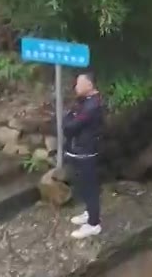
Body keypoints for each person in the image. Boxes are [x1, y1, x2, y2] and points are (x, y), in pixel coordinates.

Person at [63, 71, 105, 239]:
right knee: (84, 185)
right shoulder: (86, 102)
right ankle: (89, 213)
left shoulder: (92, 106)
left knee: (90, 188)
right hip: (80, 150)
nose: (76, 87)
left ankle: (94, 224)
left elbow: (70, 127)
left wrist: (68, 118)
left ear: (89, 85)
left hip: (86, 152)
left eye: (79, 83)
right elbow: (72, 120)